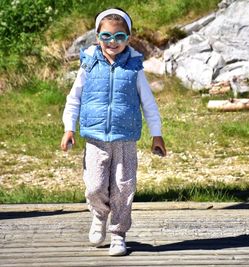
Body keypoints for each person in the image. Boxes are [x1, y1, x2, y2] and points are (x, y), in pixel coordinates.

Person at [60, 7, 166, 256]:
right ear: (97, 37)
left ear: (128, 39)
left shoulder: (134, 67)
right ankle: (99, 216)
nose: (112, 42)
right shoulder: (88, 64)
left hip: (125, 138)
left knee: (123, 187)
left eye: (119, 37)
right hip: (95, 138)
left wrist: (156, 134)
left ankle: (118, 234)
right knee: (95, 187)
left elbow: (148, 103)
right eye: (106, 36)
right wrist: (69, 128)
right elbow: (73, 99)